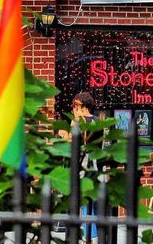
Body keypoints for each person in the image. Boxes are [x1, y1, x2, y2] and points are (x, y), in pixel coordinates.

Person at [59, 92, 98, 244]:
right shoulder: (96, 121)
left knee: (84, 206)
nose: (74, 108)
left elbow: (72, 142)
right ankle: (92, 238)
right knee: (91, 206)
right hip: (94, 167)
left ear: (83, 105)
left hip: (83, 167)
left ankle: (89, 239)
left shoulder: (79, 121)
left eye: (76, 105)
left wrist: (65, 133)